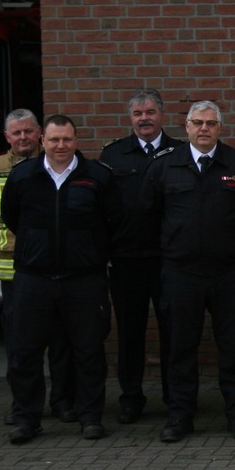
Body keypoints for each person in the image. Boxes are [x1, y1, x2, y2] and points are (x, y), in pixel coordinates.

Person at [142, 100, 235, 443]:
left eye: (211, 123)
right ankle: (180, 415)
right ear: (186, 126)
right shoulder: (165, 166)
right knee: (181, 347)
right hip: (181, 274)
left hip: (229, 272)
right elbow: (149, 216)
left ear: (220, 127)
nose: (204, 128)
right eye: (197, 122)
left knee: (233, 346)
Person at [2, 114, 116, 444]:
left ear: (76, 140)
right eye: (54, 140)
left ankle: (90, 416)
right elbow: (12, 217)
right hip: (34, 279)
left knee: (89, 350)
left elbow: (113, 221)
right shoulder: (23, 176)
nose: (61, 146)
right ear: (43, 141)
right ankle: (27, 419)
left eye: (67, 139)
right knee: (25, 352)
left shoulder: (97, 177)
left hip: (83, 280)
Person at [0, 110, 75, 425]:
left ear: (39, 136)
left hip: (50, 268)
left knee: (60, 338)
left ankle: (63, 402)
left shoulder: (55, 167)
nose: (23, 138)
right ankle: (23, 405)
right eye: (16, 133)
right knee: (20, 344)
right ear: (6, 137)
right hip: (12, 271)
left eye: (28, 132)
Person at [100, 89, 181, 424]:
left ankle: (174, 396)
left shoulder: (181, 152)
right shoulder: (113, 155)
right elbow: (103, 209)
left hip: (169, 259)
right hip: (127, 259)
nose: (144, 118)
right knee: (130, 333)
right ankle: (131, 398)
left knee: (173, 332)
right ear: (130, 118)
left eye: (150, 112)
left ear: (161, 115)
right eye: (138, 114)